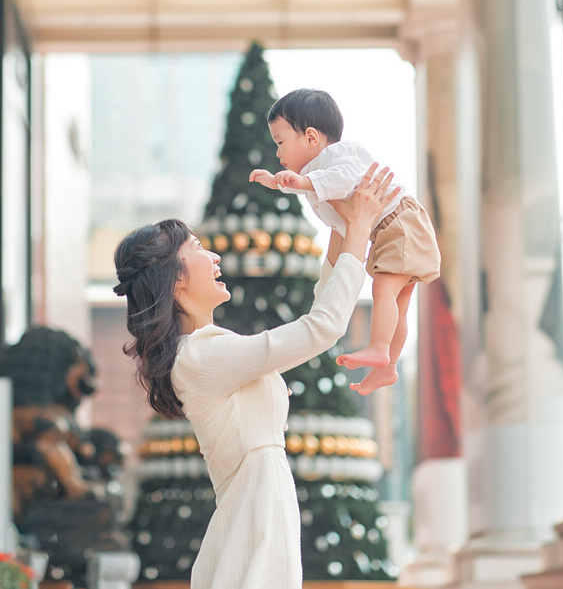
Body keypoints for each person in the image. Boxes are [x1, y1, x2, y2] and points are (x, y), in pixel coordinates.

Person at [113, 164, 398, 589]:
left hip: (259, 509)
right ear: (175, 280)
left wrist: (340, 227)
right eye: (198, 249)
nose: (214, 257)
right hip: (256, 515)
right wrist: (357, 231)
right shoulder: (201, 356)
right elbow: (321, 328)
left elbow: (317, 312)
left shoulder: (205, 349)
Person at [249, 88, 441, 395]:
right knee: (398, 304)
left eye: (280, 143)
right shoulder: (316, 172)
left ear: (311, 138)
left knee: (385, 290)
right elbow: (315, 192)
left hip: (400, 223)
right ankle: (387, 368)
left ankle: (379, 348)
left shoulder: (338, 156)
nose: (278, 154)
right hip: (391, 230)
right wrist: (277, 181)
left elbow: (340, 179)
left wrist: (302, 182)